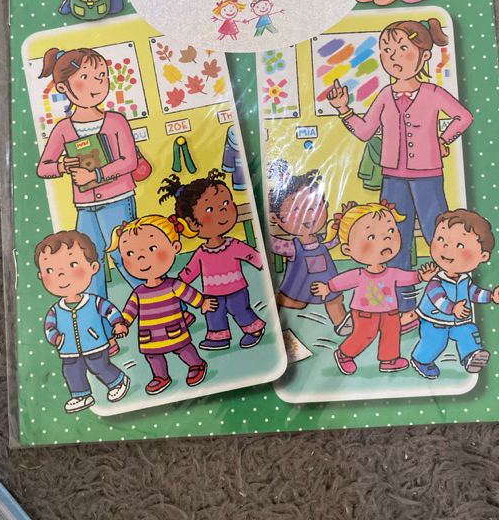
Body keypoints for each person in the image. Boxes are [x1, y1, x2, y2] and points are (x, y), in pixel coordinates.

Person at [327, 18, 472, 330]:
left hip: (428, 176)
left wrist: (444, 139)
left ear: (424, 55)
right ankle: (404, 308)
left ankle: (453, 299)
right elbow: (365, 132)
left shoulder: (433, 93)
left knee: (438, 234)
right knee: (394, 238)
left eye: (401, 48)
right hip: (392, 178)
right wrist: (343, 109)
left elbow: (463, 117)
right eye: (386, 50)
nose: (392, 56)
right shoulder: (384, 95)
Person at [36, 46, 141, 296]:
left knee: (124, 254)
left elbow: (129, 161)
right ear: (63, 87)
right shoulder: (63, 128)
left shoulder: (115, 121)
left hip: (118, 200)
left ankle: (156, 300)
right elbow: (43, 167)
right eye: (85, 77)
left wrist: (96, 175)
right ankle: (97, 309)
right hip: (84, 206)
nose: (97, 84)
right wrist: (63, 165)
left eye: (101, 75)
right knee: (89, 259)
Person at [311, 201, 436, 375]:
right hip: (364, 312)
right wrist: (328, 288)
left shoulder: (391, 272)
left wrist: (421, 276)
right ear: (347, 249)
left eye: (390, 231)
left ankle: (389, 360)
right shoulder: (359, 274)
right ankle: (344, 354)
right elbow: (343, 280)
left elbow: (406, 277)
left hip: (390, 310)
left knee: (392, 332)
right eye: (371, 237)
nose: (386, 239)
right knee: (365, 334)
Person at [159, 170, 267, 350]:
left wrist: (264, 264)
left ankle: (253, 330)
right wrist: (176, 284)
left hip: (236, 289)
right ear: (192, 223)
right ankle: (218, 337)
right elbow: (190, 271)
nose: (223, 210)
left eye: (226, 203)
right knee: (213, 314)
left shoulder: (233, 244)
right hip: (211, 292)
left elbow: (252, 256)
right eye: (210, 209)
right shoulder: (201, 253)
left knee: (240, 310)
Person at [110, 216, 217, 396]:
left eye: (152, 249)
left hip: (173, 329)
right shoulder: (138, 292)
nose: (141, 258)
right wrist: (123, 323)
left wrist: (202, 302)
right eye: (130, 254)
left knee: (182, 347)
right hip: (149, 335)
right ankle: (160, 377)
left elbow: (188, 293)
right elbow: (130, 310)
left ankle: (196, 364)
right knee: (152, 355)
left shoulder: (173, 285)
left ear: (175, 247)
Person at [36, 230, 131, 413]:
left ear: (93, 267)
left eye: (72, 265)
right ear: (41, 275)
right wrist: (56, 338)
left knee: (99, 366)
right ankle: (81, 395)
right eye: (50, 270)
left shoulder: (93, 301)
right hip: (68, 349)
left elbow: (109, 310)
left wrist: (117, 323)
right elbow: (49, 327)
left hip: (95, 344)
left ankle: (118, 381)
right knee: (71, 372)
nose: (61, 275)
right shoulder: (55, 310)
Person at [411, 209, 499, 379]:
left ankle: (471, 356)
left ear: (482, 256)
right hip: (433, 320)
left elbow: (474, 293)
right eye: (440, 239)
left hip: (458, 321)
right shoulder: (436, 281)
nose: (446, 248)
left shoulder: (465, 280)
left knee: (469, 331)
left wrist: (491, 296)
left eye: (459, 245)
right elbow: (438, 299)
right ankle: (421, 360)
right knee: (436, 342)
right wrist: (452, 308)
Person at [266, 159, 348, 332]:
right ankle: (274, 302)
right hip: (300, 287)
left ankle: (342, 322)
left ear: (325, 206)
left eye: (315, 205)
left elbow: (333, 241)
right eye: (296, 209)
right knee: (297, 302)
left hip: (328, 283)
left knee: (334, 299)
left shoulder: (322, 241)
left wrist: (342, 225)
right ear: (275, 218)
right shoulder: (292, 247)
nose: (309, 213)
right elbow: (271, 244)